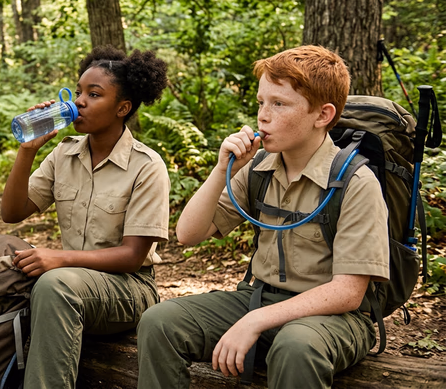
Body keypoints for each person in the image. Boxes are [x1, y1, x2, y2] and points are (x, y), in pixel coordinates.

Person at [136, 45, 390, 388]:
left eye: (279, 104)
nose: (263, 116)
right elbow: (188, 234)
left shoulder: (354, 182)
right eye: (261, 102)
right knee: (160, 321)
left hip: (334, 318)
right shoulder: (259, 167)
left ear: (323, 115)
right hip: (260, 298)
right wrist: (221, 169)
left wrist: (256, 320)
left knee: (296, 346)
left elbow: (348, 293)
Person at [0, 45, 171, 389]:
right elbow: (12, 212)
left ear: (122, 108)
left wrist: (59, 259)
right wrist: (27, 150)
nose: (79, 101)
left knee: (54, 284)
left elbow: (133, 256)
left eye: (94, 94)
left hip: (129, 288)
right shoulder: (65, 153)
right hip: (72, 279)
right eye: (78, 91)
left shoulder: (146, 166)